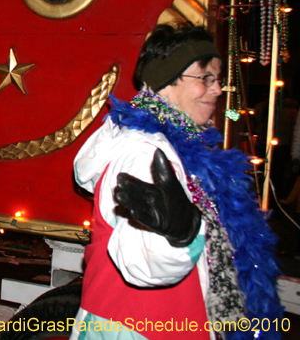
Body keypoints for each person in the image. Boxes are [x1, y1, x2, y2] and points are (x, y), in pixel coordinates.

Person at [71, 23, 281, 339]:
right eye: (205, 78)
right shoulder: (144, 154)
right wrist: (180, 234)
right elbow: (144, 265)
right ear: (167, 81)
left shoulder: (181, 149)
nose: (218, 90)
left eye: (218, 80)